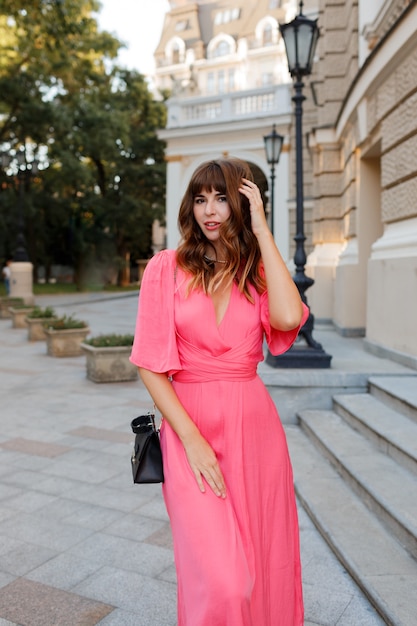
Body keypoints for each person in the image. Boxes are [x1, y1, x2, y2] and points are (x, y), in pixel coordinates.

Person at [130, 157, 309, 626]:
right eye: (201, 198)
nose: (210, 210)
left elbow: (289, 320)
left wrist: (264, 233)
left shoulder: (258, 271)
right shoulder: (166, 268)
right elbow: (151, 366)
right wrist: (190, 441)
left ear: (245, 206)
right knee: (224, 583)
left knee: (263, 564)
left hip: (255, 431)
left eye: (223, 198)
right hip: (190, 432)